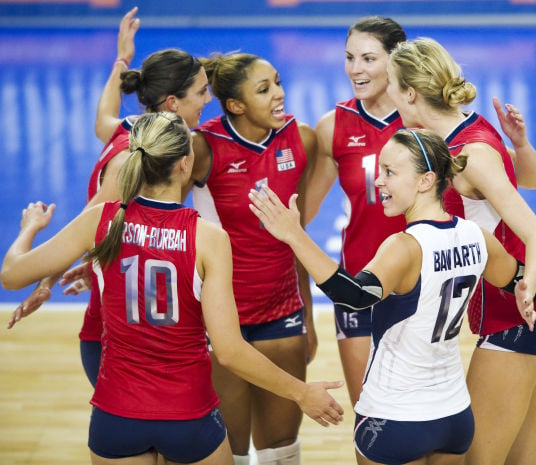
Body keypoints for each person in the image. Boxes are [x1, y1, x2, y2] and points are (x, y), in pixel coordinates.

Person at [248, 128, 536, 465]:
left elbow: (353, 295)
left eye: (390, 172)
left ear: (426, 180)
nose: (379, 181)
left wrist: (294, 235)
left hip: (394, 418)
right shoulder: (475, 237)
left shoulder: (404, 247)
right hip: (453, 417)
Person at [1, 112, 344, 465]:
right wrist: (301, 393)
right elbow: (228, 351)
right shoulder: (208, 238)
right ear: (185, 164)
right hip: (188, 415)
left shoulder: (101, 220)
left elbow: (11, 275)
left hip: (116, 416)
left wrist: (30, 227)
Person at [306, 16, 536, 407]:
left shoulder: (439, 132)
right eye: (349, 57)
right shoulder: (336, 125)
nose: (355, 68)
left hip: (429, 284)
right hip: (362, 277)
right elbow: (305, 210)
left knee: (422, 412)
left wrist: (519, 146)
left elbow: (518, 184)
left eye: (368, 58)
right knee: (370, 411)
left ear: (397, 67)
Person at [7, 7, 213, 389]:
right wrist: (44, 279)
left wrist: (122, 59)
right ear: (172, 103)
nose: (207, 99)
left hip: (138, 322)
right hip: (123, 337)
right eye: (201, 92)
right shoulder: (129, 163)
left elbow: (103, 115)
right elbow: (85, 226)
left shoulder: (130, 129)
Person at [384, 37, 536, 464]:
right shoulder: (459, 130)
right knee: (519, 458)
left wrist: (528, 287)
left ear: (409, 93)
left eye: (391, 86)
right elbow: (531, 182)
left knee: (473, 461)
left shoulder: (472, 152)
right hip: (527, 319)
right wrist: (519, 145)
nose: (387, 96)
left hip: (514, 321)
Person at [183, 52, 320, 465]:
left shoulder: (303, 139)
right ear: (235, 105)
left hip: (284, 314)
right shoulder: (203, 148)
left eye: (277, 82)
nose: (279, 94)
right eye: (264, 89)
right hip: (224, 322)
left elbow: (298, 235)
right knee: (233, 449)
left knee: (282, 450)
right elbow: (153, 203)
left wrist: (308, 316)